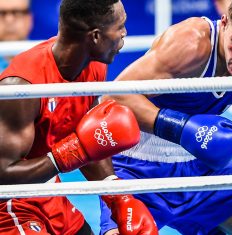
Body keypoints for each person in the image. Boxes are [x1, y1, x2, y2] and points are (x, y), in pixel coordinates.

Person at [99, 0, 232, 234]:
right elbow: (114, 97)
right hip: (136, 168)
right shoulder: (191, 42)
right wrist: (182, 128)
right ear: (224, 23)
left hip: (201, 163)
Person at [0, 0, 158, 234]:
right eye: (120, 26)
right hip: (8, 203)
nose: (125, 33)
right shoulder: (21, 87)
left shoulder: (94, 66)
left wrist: (118, 198)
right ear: (95, 37)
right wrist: (64, 156)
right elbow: (3, 175)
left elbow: (91, 142)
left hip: (48, 191)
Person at [0, 0, 33, 72]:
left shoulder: (48, 60)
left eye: (17, 12)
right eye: (1, 13)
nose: (9, 20)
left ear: (29, 19)